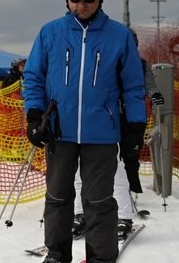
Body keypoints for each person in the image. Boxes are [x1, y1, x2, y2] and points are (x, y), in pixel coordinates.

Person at [22, 0, 146, 263]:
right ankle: (58, 256)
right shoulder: (50, 33)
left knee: (98, 199)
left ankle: (101, 262)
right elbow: (33, 77)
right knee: (58, 195)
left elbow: (134, 87)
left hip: (102, 133)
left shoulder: (119, 36)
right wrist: (34, 115)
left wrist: (135, 126)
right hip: (59, 131)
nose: (82, 4)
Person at [71, 29, 165, 241]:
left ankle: (124, 213)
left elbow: (148, 83)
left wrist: (156, 94)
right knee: (80, 165)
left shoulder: (140, 64)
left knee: (122, 164)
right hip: (102, 118)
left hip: (130, 120)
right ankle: (81, 213)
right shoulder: (106, 61)